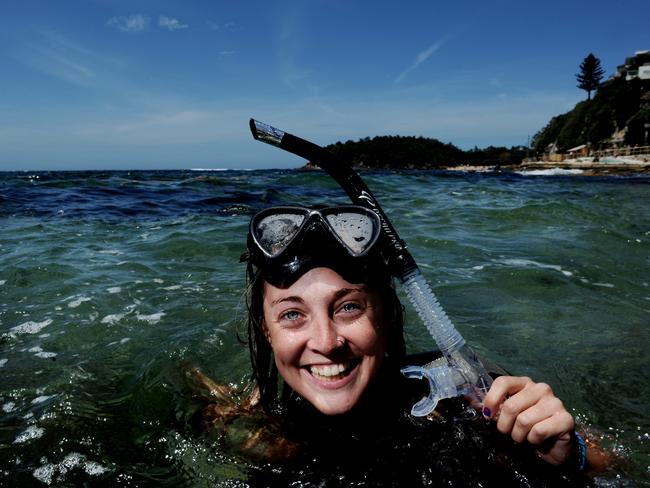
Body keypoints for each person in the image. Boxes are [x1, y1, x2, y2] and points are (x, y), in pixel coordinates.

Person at [195, 204, 605, 486]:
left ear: (387, 318)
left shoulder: (465, 398)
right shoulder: (248, 423)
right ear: (266, 331)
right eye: (291, 314)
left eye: (349, 307)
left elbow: (614, 469)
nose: (326, 342)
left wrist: (567, 456)